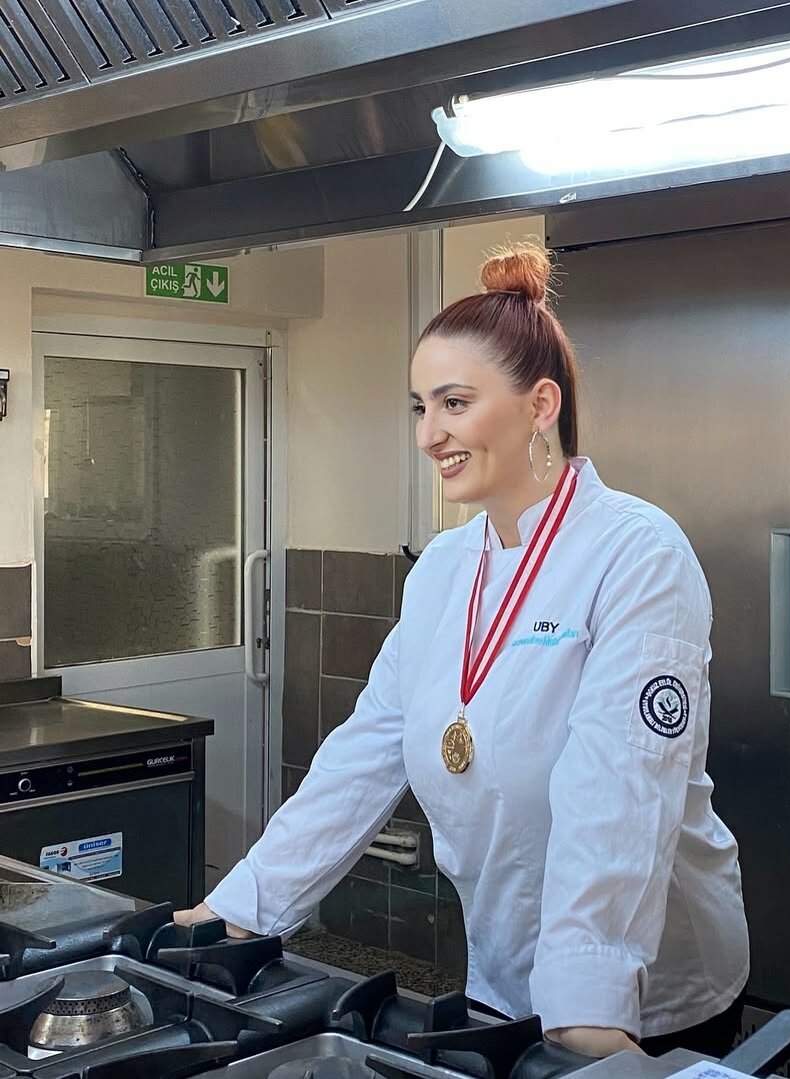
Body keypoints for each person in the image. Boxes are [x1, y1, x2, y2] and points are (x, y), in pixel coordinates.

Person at [176, 243, 749, 1059]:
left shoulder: (637, 554)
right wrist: (241, 908)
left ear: (540, 404)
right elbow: (363, 755)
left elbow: (618, 792)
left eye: (454, 402)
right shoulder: (446, 567)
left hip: (640, 998)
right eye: (420, 407)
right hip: (504, 977)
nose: (428, 433)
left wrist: (585, 1007)